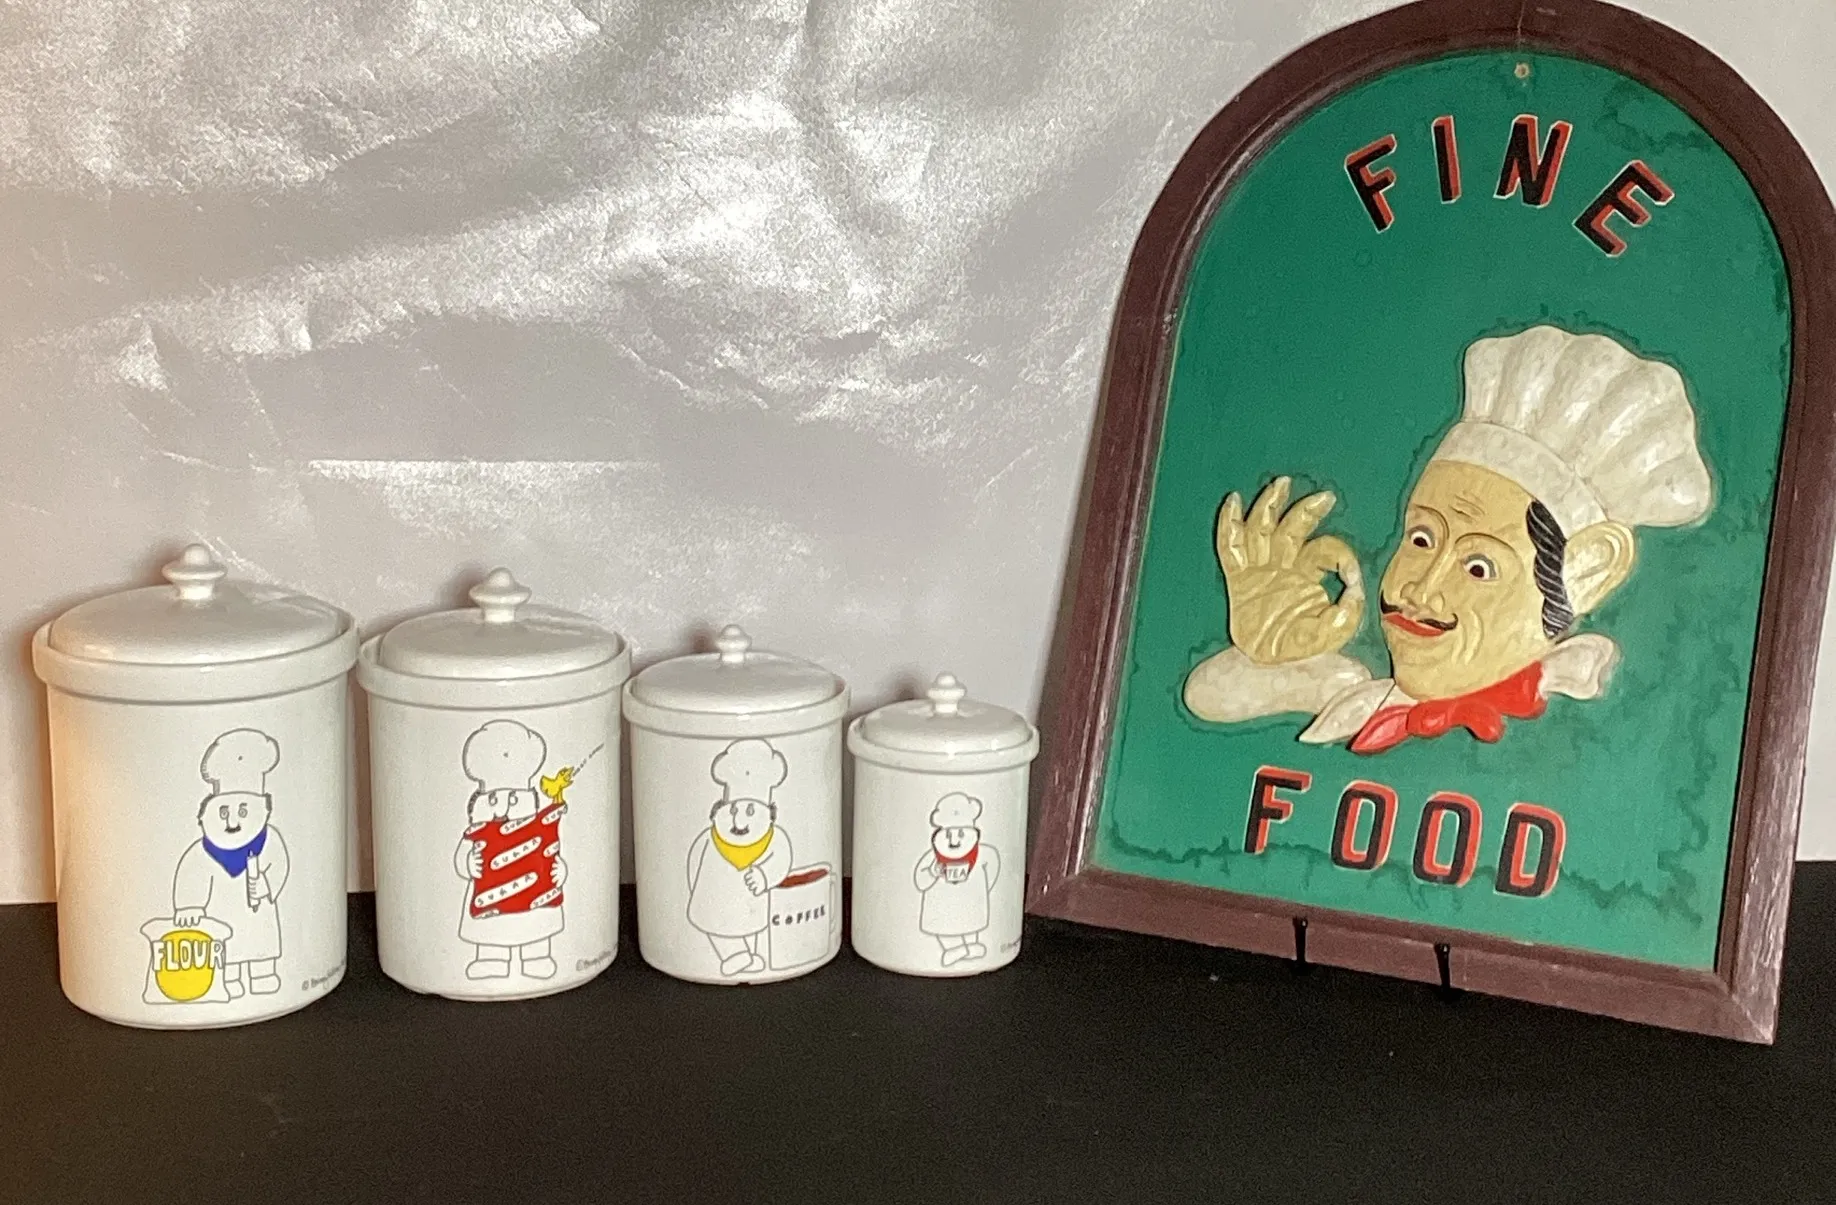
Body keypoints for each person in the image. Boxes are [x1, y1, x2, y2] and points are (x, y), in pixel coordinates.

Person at [1183, 325, 1713, 752]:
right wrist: (1270, 643)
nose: (1421, 589)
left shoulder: (1611, 722)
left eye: (1478, 566)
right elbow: (1208, 697)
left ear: (1587, 569)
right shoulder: (1358, 696)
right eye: (1420, 539)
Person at [172, 728, 289, 997]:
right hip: (222, 913)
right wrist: (189, 906)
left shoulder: (269, 842)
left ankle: (263, 974)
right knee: (228, 946)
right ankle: (230, 978)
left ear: (264, 810)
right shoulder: (204, 852)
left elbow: (279, 864)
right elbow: (191, 874)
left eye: (243, 811)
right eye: (223, 812)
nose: (233, 821)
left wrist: (267, 885)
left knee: (262, 942)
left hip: (259, 913)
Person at [686, 738, 794, 976]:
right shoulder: (711, 838)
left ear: (768, 814)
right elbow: (694, 858)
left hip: (750, 900)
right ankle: (734, 956)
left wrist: (765, 876)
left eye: (750, 811)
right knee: (713, 926)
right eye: (733, 810)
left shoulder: (772, 840)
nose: (739, 820)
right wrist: (694, 886)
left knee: (749, 926)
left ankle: (748, 956)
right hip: (711, 900)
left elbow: (781, 859)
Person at [912, 793, 1001, 966]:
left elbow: (993, 868)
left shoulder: (983, 853)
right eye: (948, 835)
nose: (954, 841)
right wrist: (932, 873)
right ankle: (954, 949)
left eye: (960, 834)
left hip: (971, 902)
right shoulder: (933, 857)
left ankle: (971, 945)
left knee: (972, 923)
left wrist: (982, 891)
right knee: (943, 926)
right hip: (940, 906)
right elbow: (920, 880)